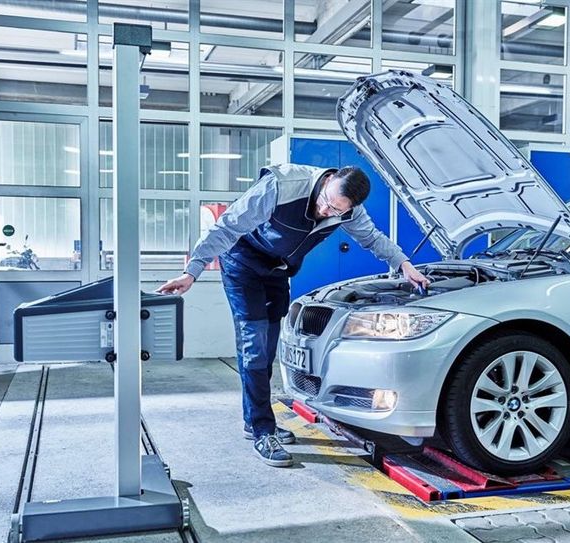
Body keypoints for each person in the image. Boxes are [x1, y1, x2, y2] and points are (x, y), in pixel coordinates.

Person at [158, 164, 430, 467]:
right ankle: (263, 430)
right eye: (326, 202)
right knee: (254, 348)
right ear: (328, 179)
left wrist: (405, 265)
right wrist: (192, 271)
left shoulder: (347, 211)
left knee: (267, 349)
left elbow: (372, 239)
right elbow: (227, 227)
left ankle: (254, 420)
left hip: (278, 269)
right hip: (242, 263)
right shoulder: (283, 186)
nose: (325, 212)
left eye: (335, 211)